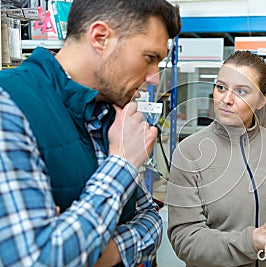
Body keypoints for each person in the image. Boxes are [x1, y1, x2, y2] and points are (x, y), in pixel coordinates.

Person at [0, 0, 181, 266]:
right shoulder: (10, 104)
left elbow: (151, 219)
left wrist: (106, 249)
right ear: (100, 37)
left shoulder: (110, 112)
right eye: (150, 58)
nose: (154, 77)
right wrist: (122, 164)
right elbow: (35, 259)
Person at [167, 50, 266, 267]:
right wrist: (249, 243)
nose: (226, 100)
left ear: (261, 100)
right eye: (221, 87)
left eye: (241, 91)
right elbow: (185, 239)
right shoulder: (189, 152)